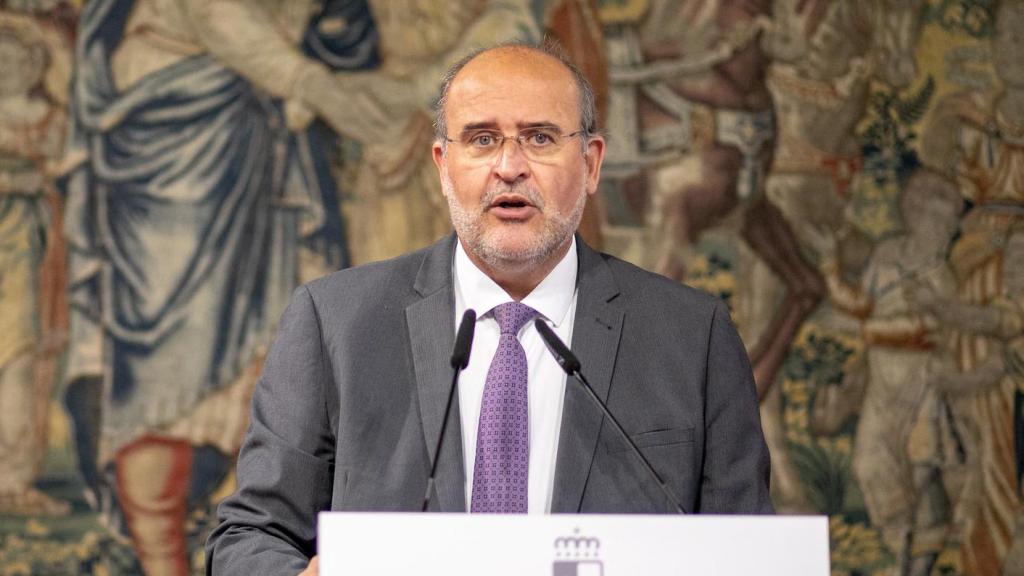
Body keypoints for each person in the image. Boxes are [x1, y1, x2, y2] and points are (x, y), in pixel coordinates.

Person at [206, 42, 773, 575]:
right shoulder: (335, 322)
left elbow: (748, 552)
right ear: (442, 165)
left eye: (540, 138)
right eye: (480, 139)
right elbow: (250, 536)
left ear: (592, 163)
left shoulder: (692, 337)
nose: (509, 167)